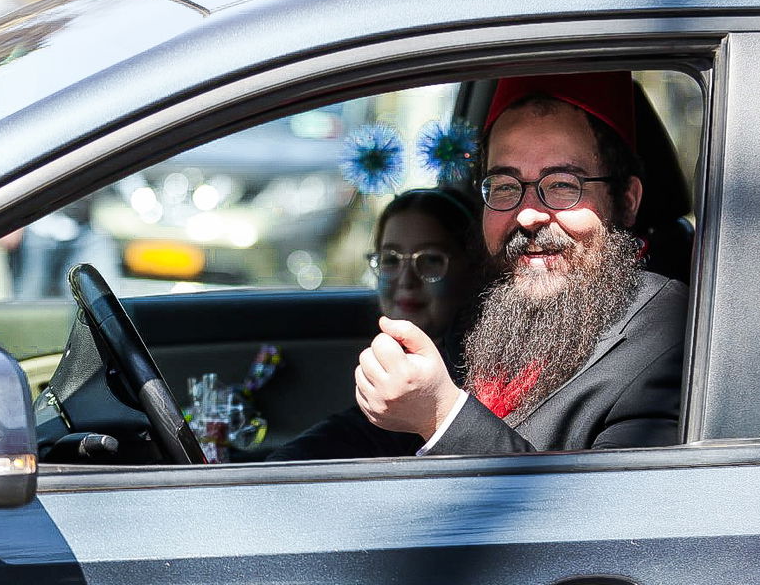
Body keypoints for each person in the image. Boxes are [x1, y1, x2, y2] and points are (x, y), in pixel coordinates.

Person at [354, 71, 687, 455]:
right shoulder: (487, 310)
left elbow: (612, 495)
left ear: (626, 201)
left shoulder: (668, 335)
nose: (528, 215)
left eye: (562, 185)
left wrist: (441, 416)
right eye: (505, 186)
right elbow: (378, 435)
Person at [267, 188, 482, 460]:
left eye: (430, 260)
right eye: (391, 259)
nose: (406, 279)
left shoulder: (474, 374)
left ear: (473, 269)